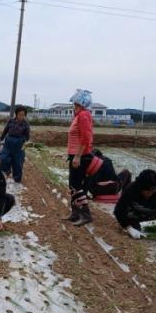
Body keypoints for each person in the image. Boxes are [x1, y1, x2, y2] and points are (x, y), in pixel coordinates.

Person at [65, 89, 95, 226]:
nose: (74, 106)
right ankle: (75, 213)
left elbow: (86, 138)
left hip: (81, 156)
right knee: (73, 185)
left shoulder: (83, 115)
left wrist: (77, 156)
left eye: (77, 104)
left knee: (77, 185)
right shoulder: (78, 116)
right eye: (75, 104)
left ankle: (86, 214)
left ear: (83, 104)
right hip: (75, 155)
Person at [0, 105, 30, 183]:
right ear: (16, 114)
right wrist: (0, 139)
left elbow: (27, 137)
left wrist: (24, 144)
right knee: (3, 158)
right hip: (8, 143)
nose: (21, 116)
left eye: (23, 115)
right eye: (20, 114)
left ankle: (17, 179)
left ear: (25, 115)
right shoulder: (11, 121)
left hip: (19, 145)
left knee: (17, 163)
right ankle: (7, 171)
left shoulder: (26, 124)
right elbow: (5, 131)